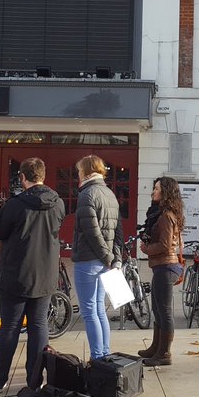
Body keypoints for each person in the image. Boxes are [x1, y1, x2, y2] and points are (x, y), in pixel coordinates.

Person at [0, 157, 65, 395]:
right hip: (45, 274)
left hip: (17, 273)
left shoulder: (16, 204)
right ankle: (35, 380)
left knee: (10, 328)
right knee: (39, 326)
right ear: (43, 176)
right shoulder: (58, 203)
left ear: (22, 177)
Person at [71, 154, 120, 360]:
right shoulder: (109, 193)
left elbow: (92, 232)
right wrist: (115, 259)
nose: (78, 174)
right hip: (104, 261)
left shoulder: (87, 194)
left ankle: (98, 357)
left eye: (79, 170)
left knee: (90, 312)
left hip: (89, 260)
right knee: (99, 310)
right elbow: (117, 231)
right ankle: (104, 354)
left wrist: (107, 257)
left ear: (85, 171)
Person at [138, 177, 185, 367]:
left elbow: (165, 245)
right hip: (163, 266)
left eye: (156, 189)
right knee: (157, 308)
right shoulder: (167, 213)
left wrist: (146, 248)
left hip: (166, 266)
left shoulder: (166, 216)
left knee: (164, 310)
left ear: (165, 192)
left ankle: (164, 353)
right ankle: (156, 348)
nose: (153, 192)